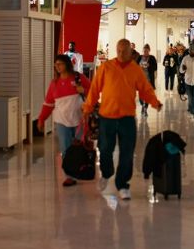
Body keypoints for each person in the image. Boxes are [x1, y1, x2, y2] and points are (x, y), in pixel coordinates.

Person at [82, 38, 162, 200]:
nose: (120, 53)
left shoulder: (135, 69)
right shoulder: (106, 67)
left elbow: (145, 89)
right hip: (107, 117)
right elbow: (95, 89)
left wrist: (155, 102)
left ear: (130, 52)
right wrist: (88, 107)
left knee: (127, 153)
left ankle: (123, 184)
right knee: (105, 149)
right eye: (118, 50)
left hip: (127, 118)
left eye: (124, 51)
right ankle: (106, 173)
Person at [37, 54, 91, 187]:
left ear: (67, 64)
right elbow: (48, 103)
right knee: (65, 149)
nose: (57, 67)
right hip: (61, 121)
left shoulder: (78, 78)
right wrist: (41, 119)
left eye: (60, 64)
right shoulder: (54, 83)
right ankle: (69, 176)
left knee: (78, 148)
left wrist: (82, 90)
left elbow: (93, 91)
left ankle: (79, 171)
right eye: (56, 65)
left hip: (79, 119)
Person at [138, 45, 158, 117]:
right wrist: (140, 67)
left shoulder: (152, 58)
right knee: (140, 96)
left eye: (146, 51)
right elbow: (135, 66)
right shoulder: (139, 57)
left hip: (148, 80)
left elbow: (155, 67)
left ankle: (145, 108)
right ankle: (142, 105)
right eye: (144, 51)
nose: (145, 52)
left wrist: (149, 66)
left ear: (149, 51)